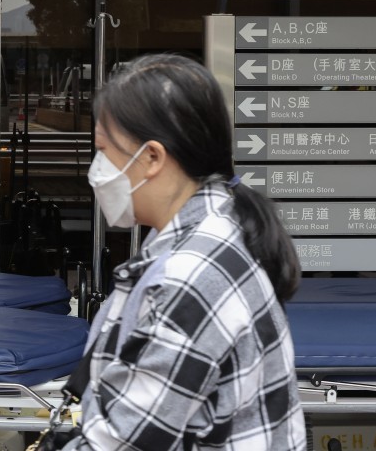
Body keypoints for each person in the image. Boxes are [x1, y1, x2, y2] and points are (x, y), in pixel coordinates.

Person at [62, 53, 304, 450]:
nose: (97, 167)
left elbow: (124, 443)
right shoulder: (221, 228)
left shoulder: (189, 276)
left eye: (104, 150)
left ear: (153, 158)